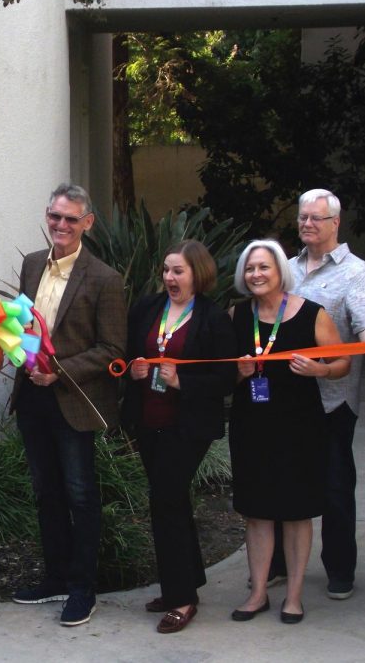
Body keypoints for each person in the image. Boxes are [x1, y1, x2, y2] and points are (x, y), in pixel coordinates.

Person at [10, 184, 126, 627]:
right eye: (55, 217)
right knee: (46, 494)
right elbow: (25, 325)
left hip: (74, 401)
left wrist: (61, 372)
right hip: (32, 398)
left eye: (70, 219)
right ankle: (56, 577)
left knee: (80, 496)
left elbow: (113, 348)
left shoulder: (104, 278)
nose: (60, 225)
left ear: (87, 223)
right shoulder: (32, 264)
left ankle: (83, 588)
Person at [269, 189, 365, 601]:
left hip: (331, 399)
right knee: (282, 480)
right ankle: (277, 566)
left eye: (317, 218)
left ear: (336, 223)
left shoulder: (357, 274)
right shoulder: (286, 269)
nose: (307, 224)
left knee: (335, 487)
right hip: (284, 399)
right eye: (303, 218)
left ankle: (340, 570)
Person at [228, 239, 350, 625]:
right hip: (252, 425)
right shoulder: (235, 315)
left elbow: (343, 361)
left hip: (299, 426)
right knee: (257, 512)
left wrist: (322, 371)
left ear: (281, 271)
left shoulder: (312, 314)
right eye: (250, 268)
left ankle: (293, 596)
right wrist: (238, 373)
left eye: (264, 267)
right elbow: (220, 372)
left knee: (297, 513)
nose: (256, 275)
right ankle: (259, 592)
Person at [120, 240, 236, 634]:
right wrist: (133, 371)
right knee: (170, 502)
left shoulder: (214, 318)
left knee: (165, 498)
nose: (170, 278)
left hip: (188, 426)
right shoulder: (148, 308)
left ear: (197, 274)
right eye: (167, 270)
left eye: (179, 271)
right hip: (148, 420)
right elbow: (126, 354)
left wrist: (182, 380)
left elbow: (225, 377)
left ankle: (182, 597)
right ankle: (183, 585)